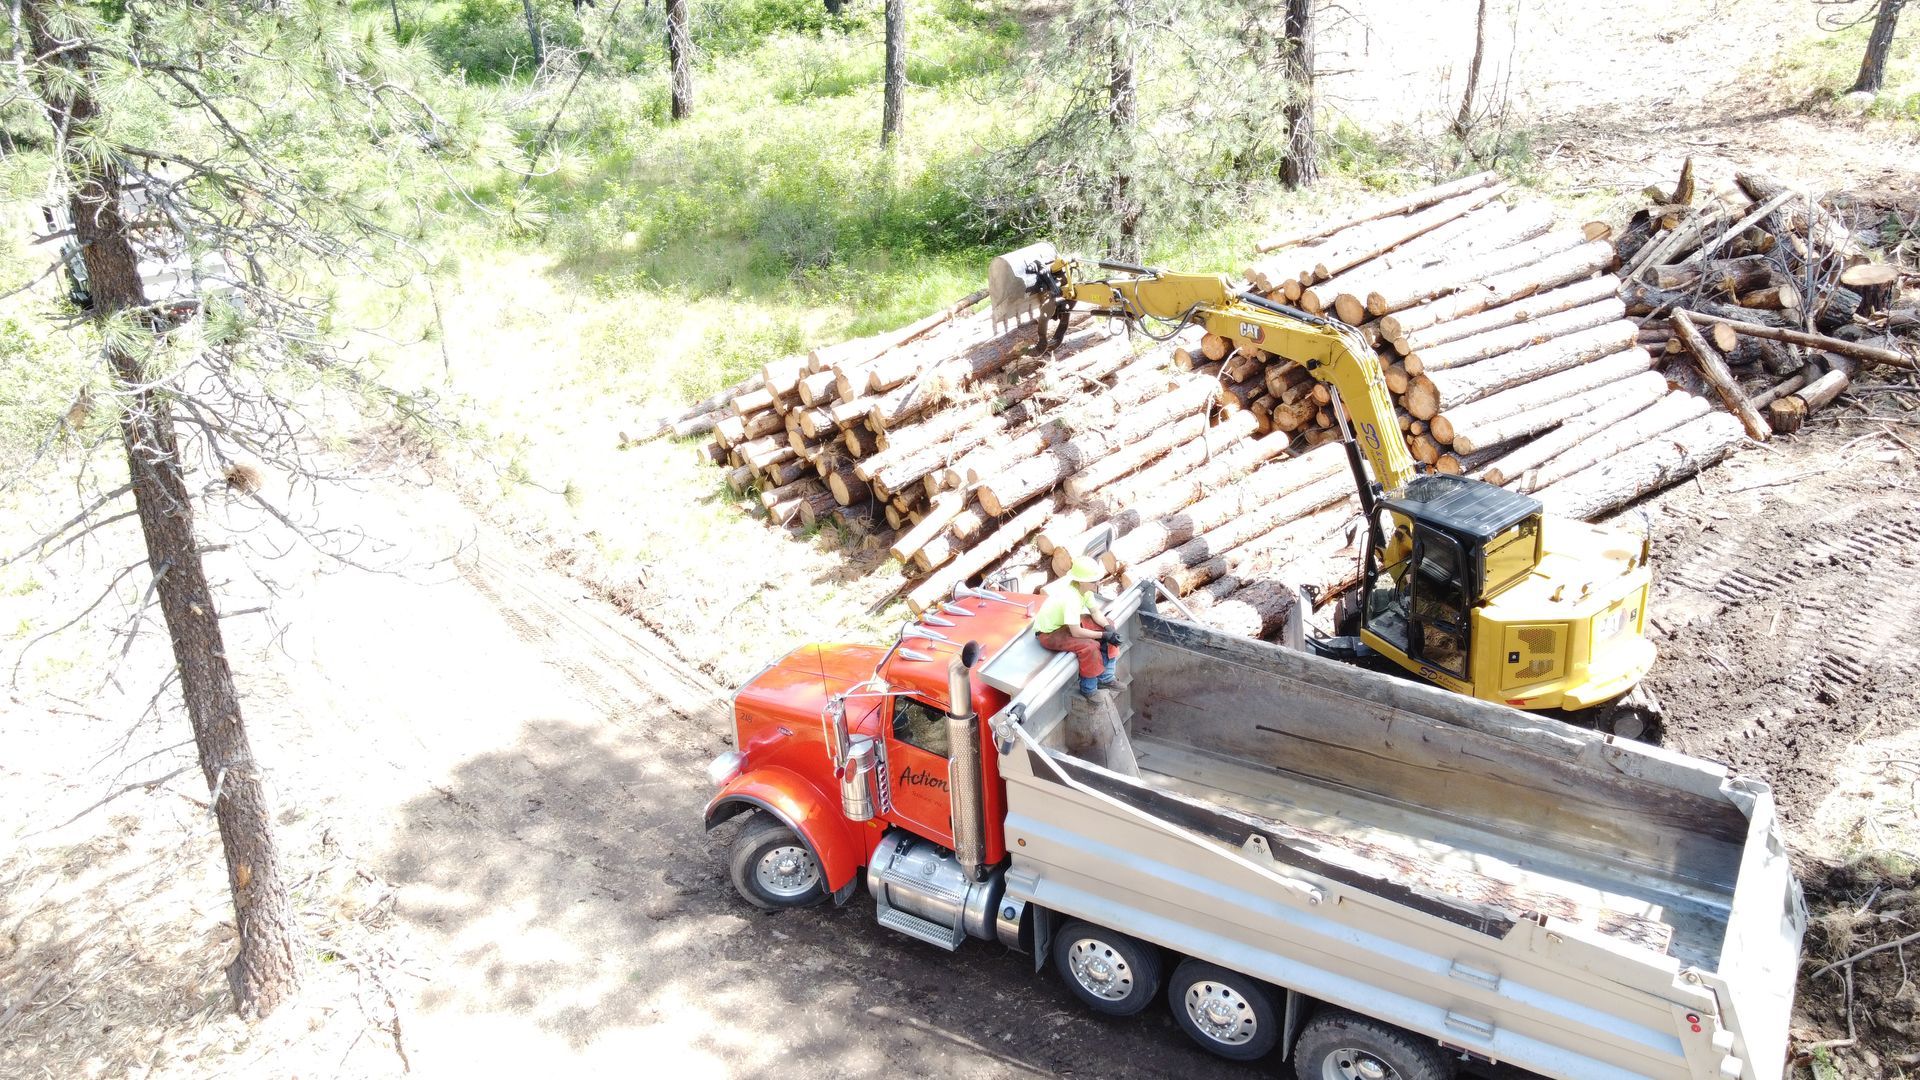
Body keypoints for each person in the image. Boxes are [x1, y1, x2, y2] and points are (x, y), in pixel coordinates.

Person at [1035, 557, 1122, 697]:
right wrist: (1103, 636)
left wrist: (1108, 629)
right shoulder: (1071, 598)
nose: (1097, 584)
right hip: (1049, 633)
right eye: (1093, 581)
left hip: (1065, 625)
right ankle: (1089, 689)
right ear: (1081, 581)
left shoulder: (1085, 591)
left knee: (1110, 624)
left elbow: (1095, 612)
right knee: (1090, 646)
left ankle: (1106, 678)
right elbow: (1076, 632)